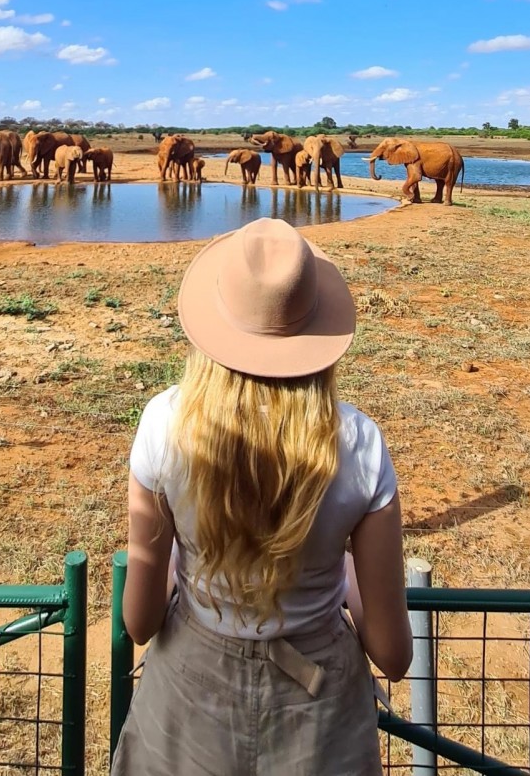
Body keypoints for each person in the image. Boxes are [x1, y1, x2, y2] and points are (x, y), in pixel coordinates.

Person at [112, 217, 412, 776]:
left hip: (189, 706)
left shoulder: (164, 424)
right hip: (319, 717)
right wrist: (344, 572)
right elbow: (393, 656)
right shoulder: (360, 443)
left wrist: (183, 561)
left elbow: (139, 621)